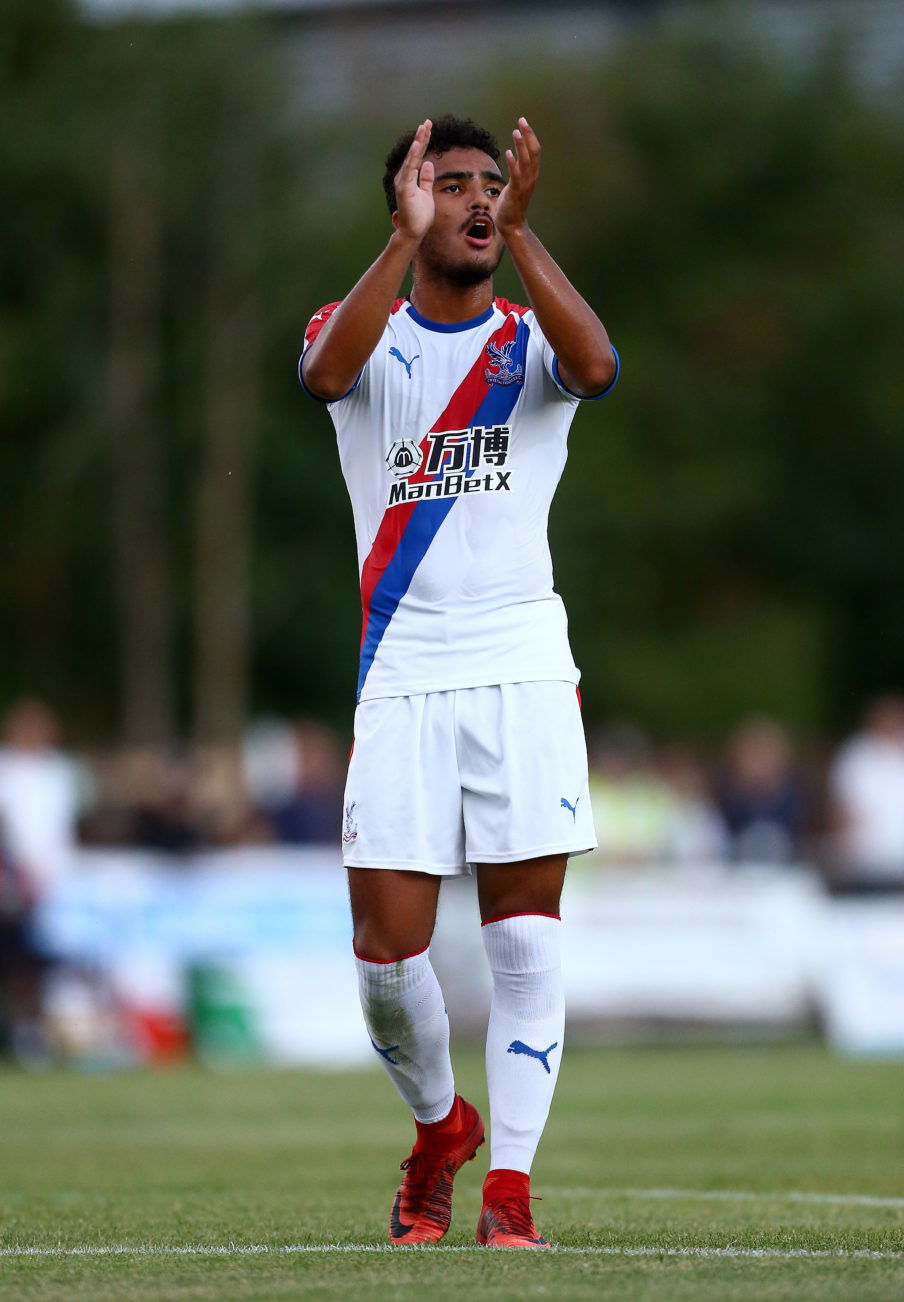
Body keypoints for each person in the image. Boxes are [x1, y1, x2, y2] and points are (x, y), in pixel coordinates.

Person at [299, 115, 618, 1249]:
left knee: (526, 938)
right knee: (386, 960)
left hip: (523, 667)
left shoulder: (530, 340)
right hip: (402, 669)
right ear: (403, 202)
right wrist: (399, 240)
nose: (476, 200)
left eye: (492, 185)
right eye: (449, 185)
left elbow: (597, 368)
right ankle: (440, 1130)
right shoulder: (365, 337)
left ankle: (510, 1189)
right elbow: (321, 371)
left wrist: (528, 238)